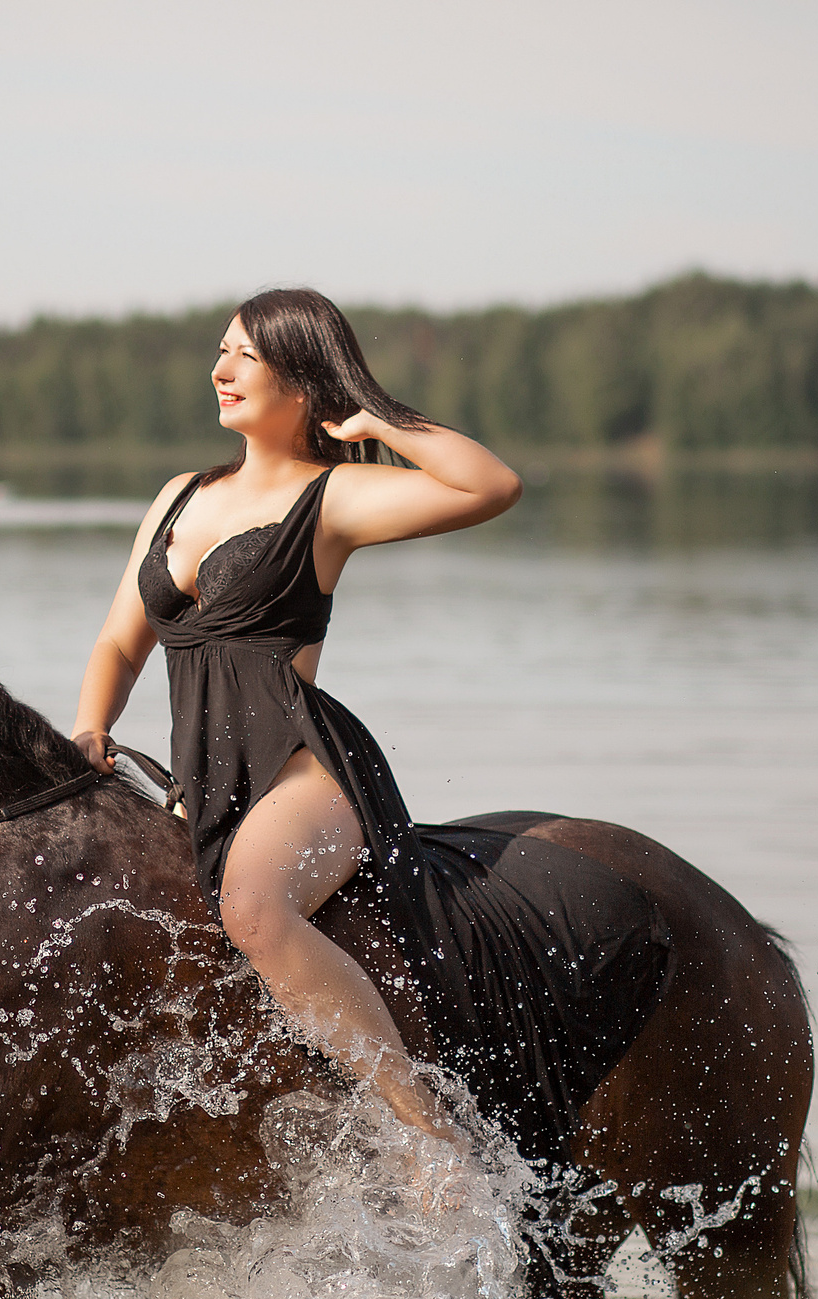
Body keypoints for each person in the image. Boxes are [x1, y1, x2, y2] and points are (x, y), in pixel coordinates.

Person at [72, 288, 522, 1147]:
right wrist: (90, 724)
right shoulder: (177, 496)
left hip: (304, 768)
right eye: (220, 350)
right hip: (197, 775)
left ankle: (432, 1136)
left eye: (244, 355)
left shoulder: (336, 497)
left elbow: (492, 484)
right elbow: (120, 642)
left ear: (303, 380)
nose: (220, 370)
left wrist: (380, 419)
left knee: (253, 906)